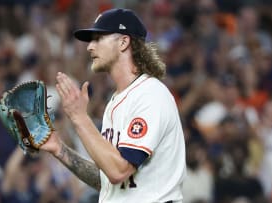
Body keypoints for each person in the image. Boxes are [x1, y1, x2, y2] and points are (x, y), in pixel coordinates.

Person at [40, 8, 186, 202]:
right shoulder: (115, 102)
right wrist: (59, 149)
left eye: (98, 38)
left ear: (124, 42)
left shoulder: (150, 94)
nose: (90, 47)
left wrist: (79, 117)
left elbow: (119, 171)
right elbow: (108, 181)